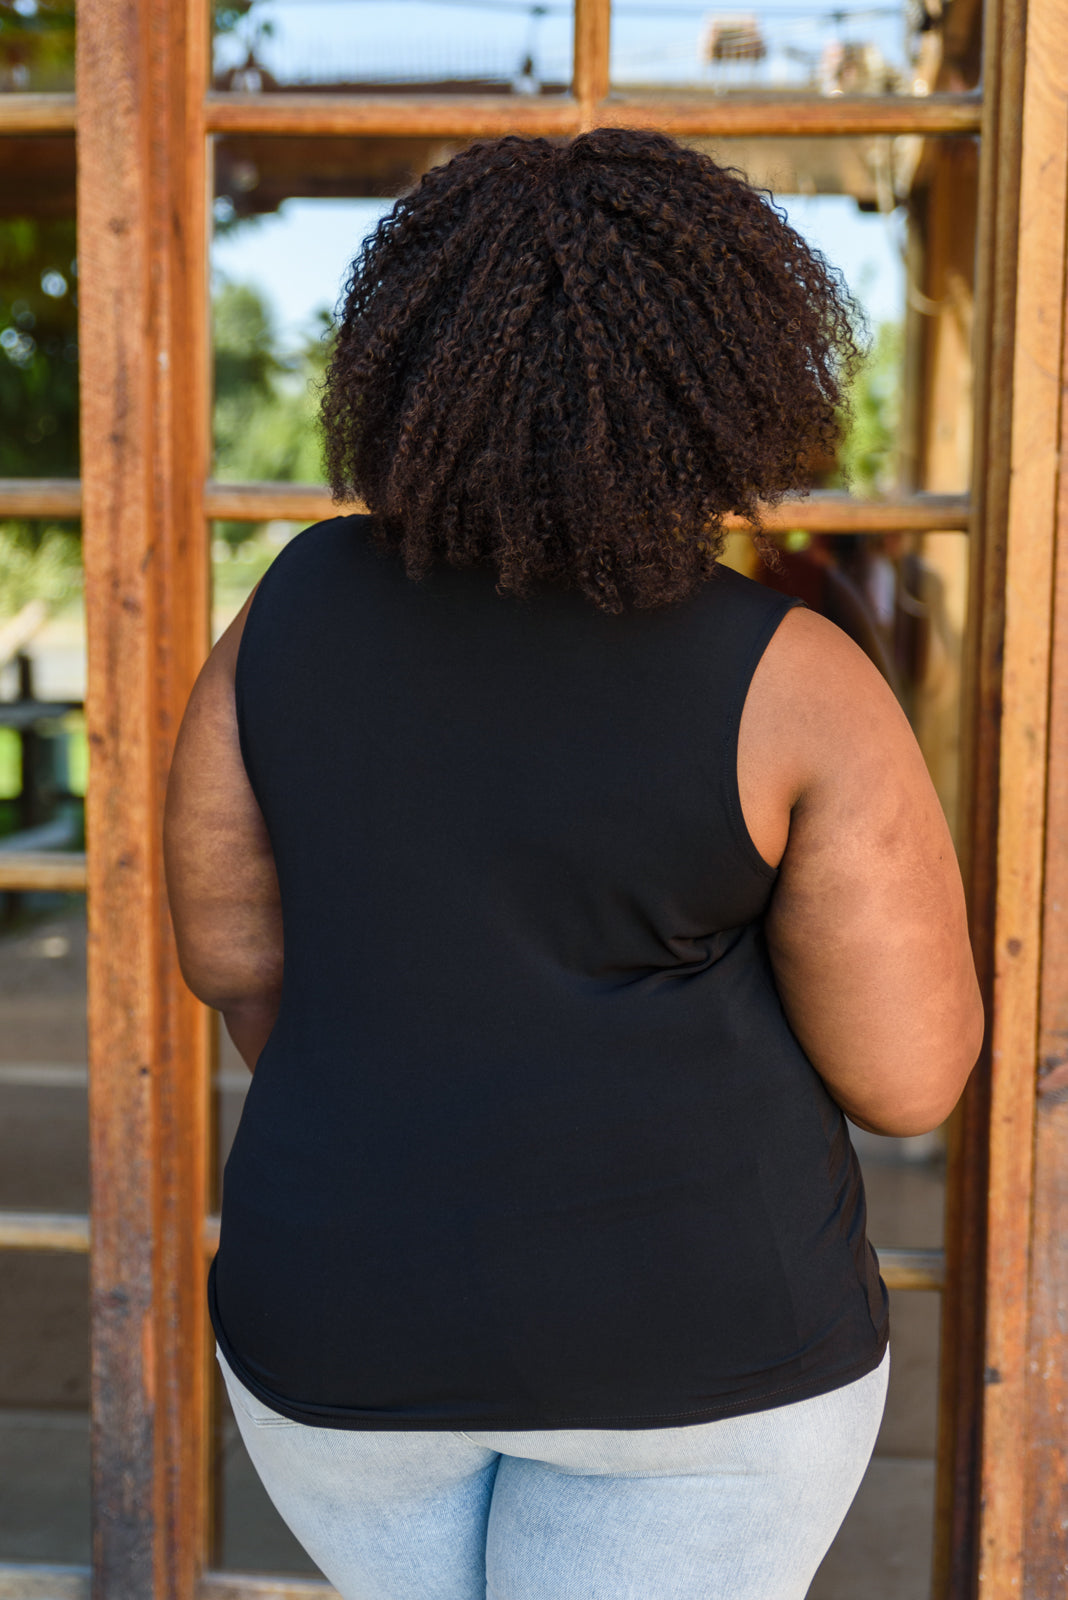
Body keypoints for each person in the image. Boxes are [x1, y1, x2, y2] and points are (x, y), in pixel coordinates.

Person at [163, 128, 983, 1600]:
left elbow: (233, 960)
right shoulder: (795, 678)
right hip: (707, 1365)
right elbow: (908, 1075)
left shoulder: (281, 614)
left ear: (410, 357)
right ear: (729, 376)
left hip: (339, 1345)